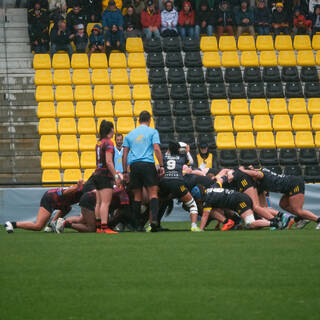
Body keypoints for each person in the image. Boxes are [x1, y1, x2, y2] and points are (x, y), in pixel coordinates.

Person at [122, 111, 165, 232]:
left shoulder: (130, 135)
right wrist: (161, 165)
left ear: (139, 120)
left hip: (134, 166)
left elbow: (125, 154)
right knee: (153, 194)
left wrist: (125, 171)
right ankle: (154, 221)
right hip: (147, 164)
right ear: (149, 120)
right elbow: (156, 148)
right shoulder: (153, 132)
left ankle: (137, 225)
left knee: (137, 196)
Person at [239, 167, 320, 229]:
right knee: (283, 205)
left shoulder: (260, 173)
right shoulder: (258, 180)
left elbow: (256, 174)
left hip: (294, 184)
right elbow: (265, 206)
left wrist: (242, 171)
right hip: (289, 187)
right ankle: (303, 218)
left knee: (298, 210)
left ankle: (318, 220)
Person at [191, 178, 283, 231]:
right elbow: (220, 181)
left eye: (197, 199)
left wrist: (200, 229)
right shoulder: (212, 188)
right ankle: (234, 222)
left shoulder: (208, 199)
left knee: (250, 223)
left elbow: (205, 216)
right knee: (251, 225)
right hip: (240, 198)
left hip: (240, 201)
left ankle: (275, 223)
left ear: (199, 196)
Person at [4, 181, 84, 233]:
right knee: (38, 226)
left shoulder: (88, 191)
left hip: (60, 201)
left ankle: (51, 225)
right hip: (50, 198)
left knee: (68, 208)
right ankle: (12, 224)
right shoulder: (79, 189)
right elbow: (63, 193)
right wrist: (77, 187)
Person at [159, 141, 201, 231]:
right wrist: (187, 151)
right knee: (192, 204)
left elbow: (159, 166)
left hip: (164, 182)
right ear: (178, 149)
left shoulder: (163, 157)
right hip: (177, 183)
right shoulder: (182, 156)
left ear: (168, 149)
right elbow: (191, 162)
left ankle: (151, 225)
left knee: (158, 203)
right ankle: (194, 226)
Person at [92, 120, 120, 234]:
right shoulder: (108, 143)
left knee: (98, 202)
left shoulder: (98, 143)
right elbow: (109, 162)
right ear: (111, 130)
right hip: (104, 175)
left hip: (97, 174)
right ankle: (104, 227)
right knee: (105, 202)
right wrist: (116, 176)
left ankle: (99, 226)